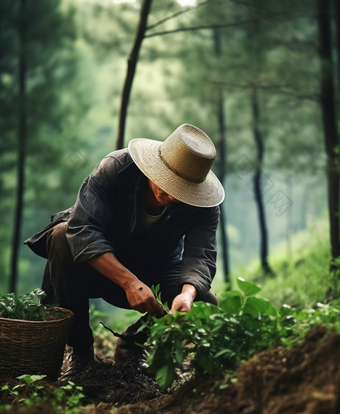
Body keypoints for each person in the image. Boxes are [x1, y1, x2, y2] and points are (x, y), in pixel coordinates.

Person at [25, 123, 225, 377]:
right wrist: (129, 282)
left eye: (183, 190)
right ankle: (82, 353)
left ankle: (133, 343)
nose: (172, 195)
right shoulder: (117, 169)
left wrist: (187, 293)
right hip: (96, 266)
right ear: (155, 167)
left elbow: (201, 254)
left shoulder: (205, 206)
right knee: (61, 236)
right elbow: (83, 229)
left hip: (156, 267)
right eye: (168, 183)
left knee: (204, 299)